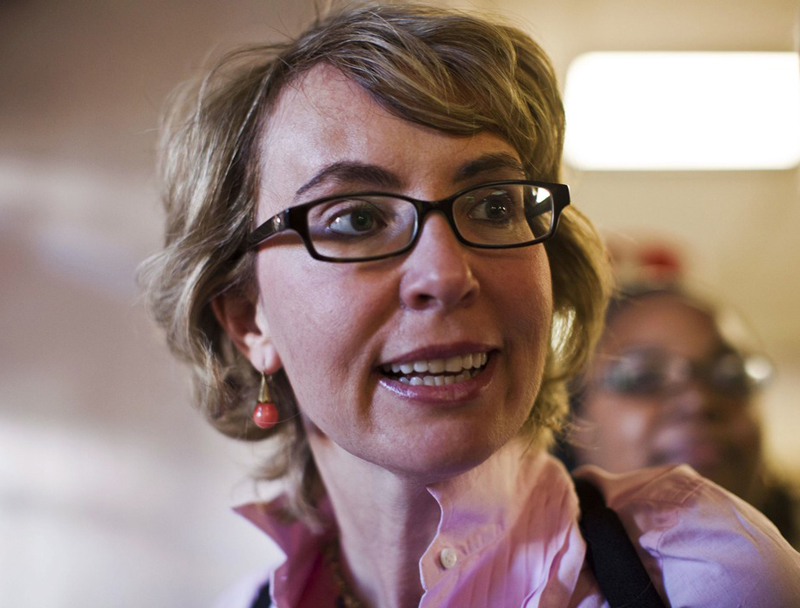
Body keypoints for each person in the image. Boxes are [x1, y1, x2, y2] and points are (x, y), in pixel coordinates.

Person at [141, 3, 800, 606]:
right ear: (246, 318)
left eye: (492, 206)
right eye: (358, 219)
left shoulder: (708, 580)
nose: (446, 273)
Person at [561, 279, 799, 547]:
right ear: (573, 421)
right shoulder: (535, 582)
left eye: (731, 374)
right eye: (645, 377)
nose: (699, 400)